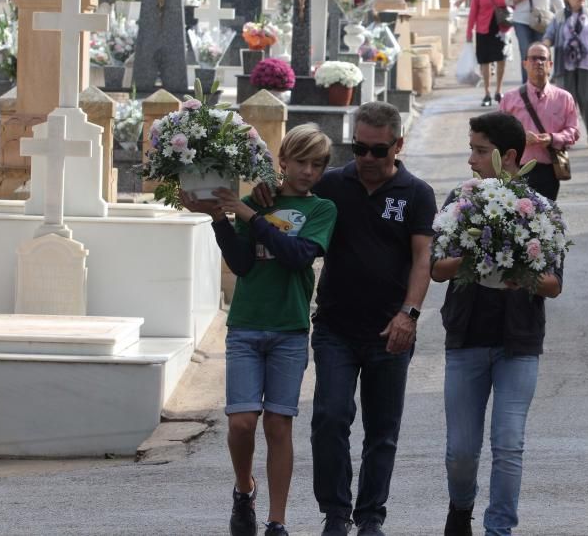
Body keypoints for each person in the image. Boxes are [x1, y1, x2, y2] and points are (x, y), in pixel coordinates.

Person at [250, 103, 436, 536]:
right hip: (335, 326)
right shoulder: (332, 184)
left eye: (378, 150)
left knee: (382, 431)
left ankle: (371, 517)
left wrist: (409, 314)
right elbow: (289, 197)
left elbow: (422, 256)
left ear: (398, 145)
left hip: (391, 329)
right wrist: (264, 189)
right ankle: (336, 512)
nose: (368, 159)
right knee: (330, 418)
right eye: (359, 149)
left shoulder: (416, 193)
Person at [181, 124, 338, 536]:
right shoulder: (255, 199)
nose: (308, 171)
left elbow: (297, 256)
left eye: (317, 164)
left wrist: (251, 215)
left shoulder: (322, 209)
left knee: (278, 426)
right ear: (282, 161)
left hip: (288, 328)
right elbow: (244, 264)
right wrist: (219, 217)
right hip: (247, 326)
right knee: (241, 423)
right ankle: (243, 488)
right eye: (300, 161)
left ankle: (277, 521)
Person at [433, 111, 564, 536]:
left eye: (480, 150)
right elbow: (436, 268)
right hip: (467, 335)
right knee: (461, 452)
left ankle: (499, 529)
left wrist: (520, 274)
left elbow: (554, 283)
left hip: (519, 342)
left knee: (508, 445)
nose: (471, 159)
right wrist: (473, 258)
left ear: (508, 156)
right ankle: (461, 508)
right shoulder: (460, 199)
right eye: (471, 149)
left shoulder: (540, 210)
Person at [499, 42, 580, 200]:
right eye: (533, 58)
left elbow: (574, 131)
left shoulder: (564, 98)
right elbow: (498, 133)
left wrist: (552, 138)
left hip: (549, 170)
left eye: (543, 58)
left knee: (545, 220)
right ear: (525, 64)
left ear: (550, 64)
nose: (538, 62)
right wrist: (520, 138)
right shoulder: (509, 98)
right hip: (517, 169)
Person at [543, 0, 588, 144]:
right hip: (566, 64)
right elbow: (549, 35)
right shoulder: (560, 16)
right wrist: (544, 48)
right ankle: (567, 134)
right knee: (566, 101)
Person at [507, 0, 563, 84]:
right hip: (521, 20)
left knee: (542, 53)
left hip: (542, 21)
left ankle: (543, 84)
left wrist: (563, 16)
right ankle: (527, 86)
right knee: (526, 53)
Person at [466, 0, 511, 107]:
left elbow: (512, 6)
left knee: (501, 59)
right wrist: (469, 31)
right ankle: (486, 93)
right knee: (484, 61)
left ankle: (498, 90)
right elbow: (473, 10)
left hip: (501, 28)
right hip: (483, 28)